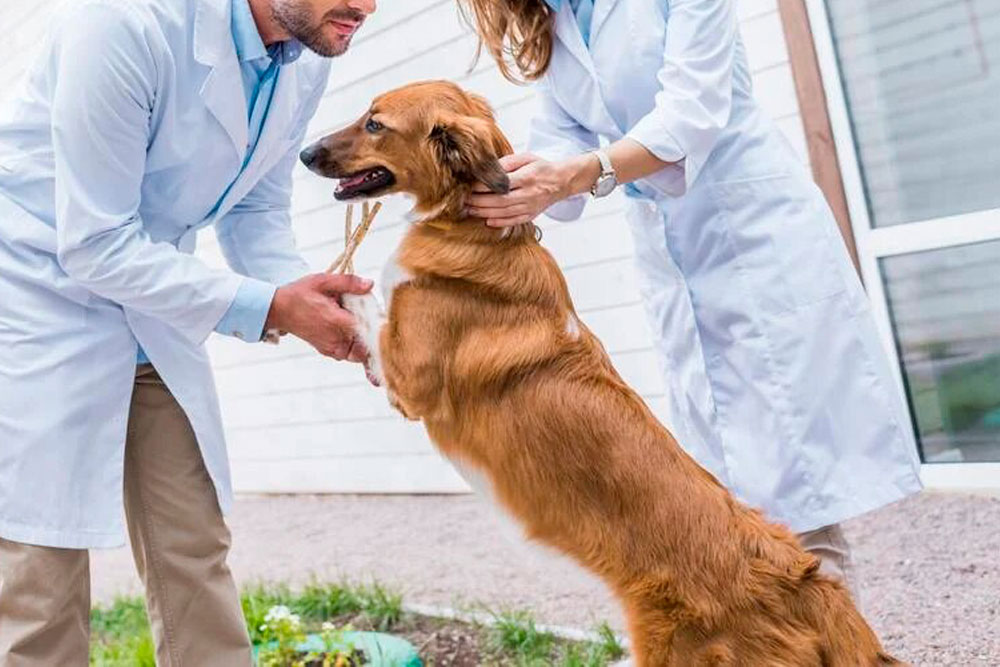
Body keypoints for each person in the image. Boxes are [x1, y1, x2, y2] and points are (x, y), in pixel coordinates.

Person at [462, 0, 922, 589]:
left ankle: (834, 647)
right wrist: (516, 182)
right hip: (674, 257)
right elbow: (560, 133)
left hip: (754, 236)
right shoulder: (554, 16)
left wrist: (575, 175)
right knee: (725, 495)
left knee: (795, 499)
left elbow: (692, 113)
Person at [0, 0, 376, 663]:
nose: (367, 6)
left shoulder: (303, 58)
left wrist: (311, 298)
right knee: (41, 573)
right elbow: (92, 243)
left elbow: (255, 206)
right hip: (35, 293)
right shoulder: (120, 22)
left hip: (152, 299)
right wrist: (271, 307)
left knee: (192, 544)